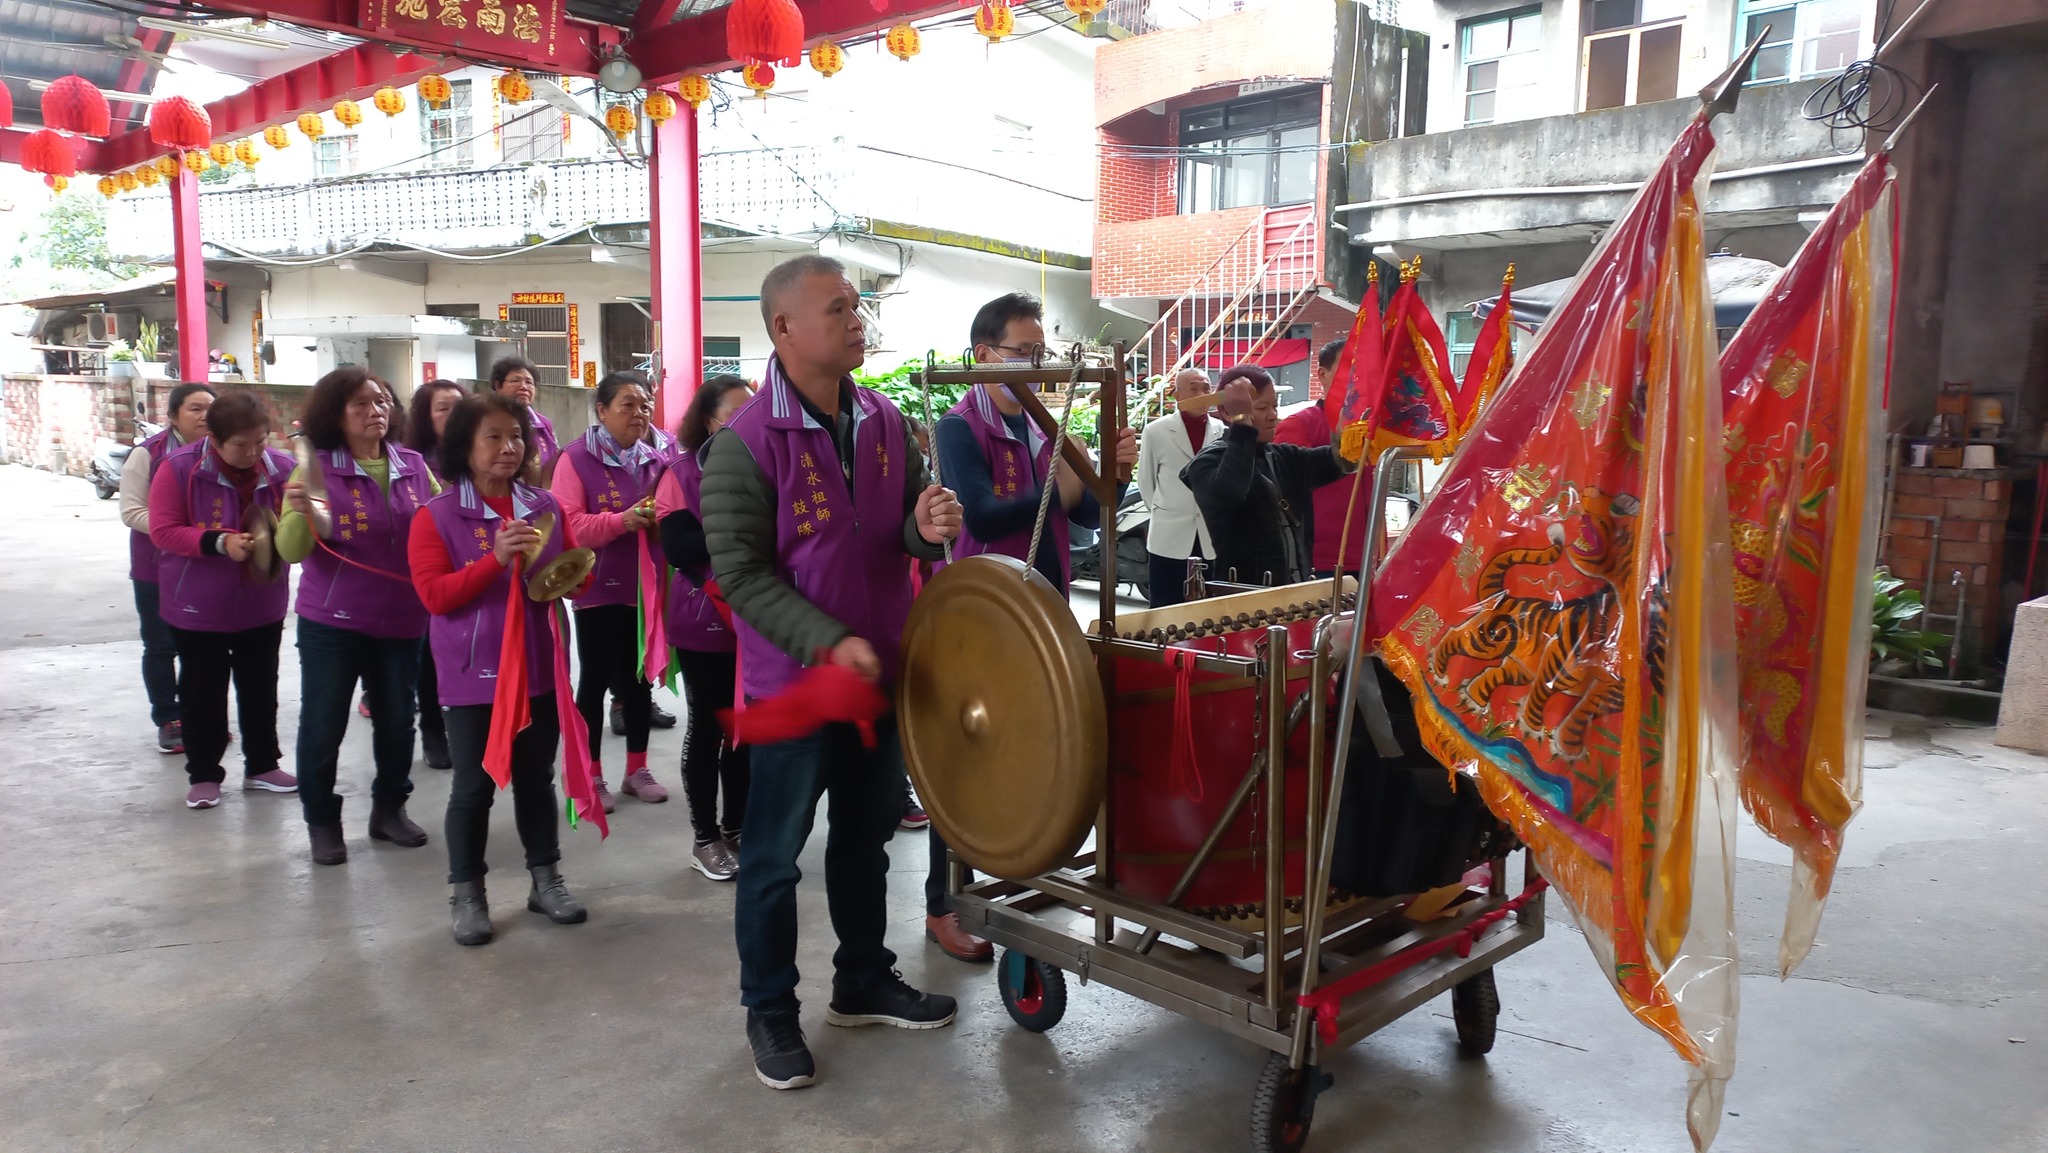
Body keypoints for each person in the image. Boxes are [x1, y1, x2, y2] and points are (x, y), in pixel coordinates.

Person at [701, 253, 963, 1090]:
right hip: (797, 686)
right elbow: (740, 578)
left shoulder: (885, 419)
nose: (858, 320)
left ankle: (861, 979)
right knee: (774, 858)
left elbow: (907, 533)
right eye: (838, 308)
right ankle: (770, 1007)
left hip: (878, 676)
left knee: (865, 840)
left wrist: (928, 525)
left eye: (858, 306)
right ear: (782, 329)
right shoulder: (742, 447)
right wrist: (826, 641)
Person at [928, 291, 1138, 964]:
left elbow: (1085, 520)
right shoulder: (960, 426)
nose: (1039, 364)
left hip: (1042, 607)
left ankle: (1018, 861)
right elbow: (982, 516)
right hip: (985, 615)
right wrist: (1065, 484)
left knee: (1031, 744)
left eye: (1044, 353)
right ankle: (942, 901)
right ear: (984, 356)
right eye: (1025, 352)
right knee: (963, 755)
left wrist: (1113, 477)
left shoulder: (1045, 425)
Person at [409, 392, 589, 947]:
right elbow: (435, 596)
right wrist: (495, 559)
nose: (509, 447)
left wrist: (570, 577)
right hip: (472, 675)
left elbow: (569, 578)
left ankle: (545, 880)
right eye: (493, 437)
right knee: (474, 787)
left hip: (538, 665)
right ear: (464, 447)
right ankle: (468, 893)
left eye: (516, 436)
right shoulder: (435, 516)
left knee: (537, 779)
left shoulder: (545, 506)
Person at [278, 368, 437, 866]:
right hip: (334, 622)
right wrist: (299, 512)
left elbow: (439, 528)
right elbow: (290, 549)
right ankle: (322, 821)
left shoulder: (412, 464)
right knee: (323, 724)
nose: (377, 412)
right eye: (362, 405)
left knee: (396, 721)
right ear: (336, 414)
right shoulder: (314, 470)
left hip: (403, 618)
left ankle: (390, 810)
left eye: (383, 402)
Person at [146, 390, 299, 809]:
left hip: (262, 601)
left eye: (261, 442)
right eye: (241, 445)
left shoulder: (284, 468)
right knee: (202, 691)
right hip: (197, 606)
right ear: (214, 439)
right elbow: (163, 530)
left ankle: (263, 765)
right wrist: (218, 542)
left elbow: (298, 527)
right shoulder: (178, 468)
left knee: (260, 686)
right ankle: (204, 774)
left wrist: (302, 515)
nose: (253, 453)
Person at [551, 371, 666, 814]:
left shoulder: (656, 460)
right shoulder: (576, 459)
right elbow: (569, 526)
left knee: (638, 683)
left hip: (644, 587)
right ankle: (590, 775)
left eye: (645, 405)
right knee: (594, 681)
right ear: (601, 411)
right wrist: (622, 521)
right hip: (596, 588)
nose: (639, 414)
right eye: (627, 405)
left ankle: (637, 770)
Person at [655, 373, 755, 881]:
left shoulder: (765, 468)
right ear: (708, 421)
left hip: (757, 617)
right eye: (732, 417)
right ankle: (705, 837)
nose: (743, 426)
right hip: (704, 618)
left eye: (750, 415)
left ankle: (738, 827)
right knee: (710, 727)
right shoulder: (680, 475)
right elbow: (679, 548)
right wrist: (740, 530)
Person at [1183, 364, 1353, 587]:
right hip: (1242, 596)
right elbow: (1231, 490)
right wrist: (1242, 424)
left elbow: (1343, 462)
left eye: (1275, 406)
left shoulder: (1283, 456)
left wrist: (1347, 433)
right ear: (1227, 412)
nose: (1273, 415)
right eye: (1262, 408)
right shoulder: (1206, 462)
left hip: (1292, 589)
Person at [120, 382, 215, 754]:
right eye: (194, 408)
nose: (205, 415)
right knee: (161, 646)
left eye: (210, 407)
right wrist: (178, 531)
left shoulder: (222, 451)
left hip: (206, 567)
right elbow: (131, 511)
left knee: (202, 648)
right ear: (173, 416)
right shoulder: (148, 454)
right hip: (156, 570)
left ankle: (200, 718)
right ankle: (169, 718)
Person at [405, 378, 465, 770]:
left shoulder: (475, 453)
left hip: (473, 561)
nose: (453, 414)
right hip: (431, 569)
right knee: (428, 656)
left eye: (458, 406)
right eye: (443, 408)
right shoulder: (413, 461)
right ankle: (431, 727)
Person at [1275, 339, 1370, 577]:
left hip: (1369, 556)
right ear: (1322, 375)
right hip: (1321, 561)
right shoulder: (1300, 425)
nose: (1357, 376)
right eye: (1349, 367)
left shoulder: (1372, 428)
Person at [1137, 368, 1222, 607]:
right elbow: (1146, 481)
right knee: (1165, 605)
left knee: (1208, 608)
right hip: (1169, 533)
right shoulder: (1156, 431)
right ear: (1177, 395)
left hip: (1210, 533)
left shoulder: (1222, 431)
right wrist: (1165, 509)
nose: (1202, 393)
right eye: (1193, 388)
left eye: (1206, 388)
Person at [487, 356, 561, 477]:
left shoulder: (544, 423)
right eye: (515, 381)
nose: (524, 387)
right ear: (498, 386)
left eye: (529, 382)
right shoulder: (486, 420)